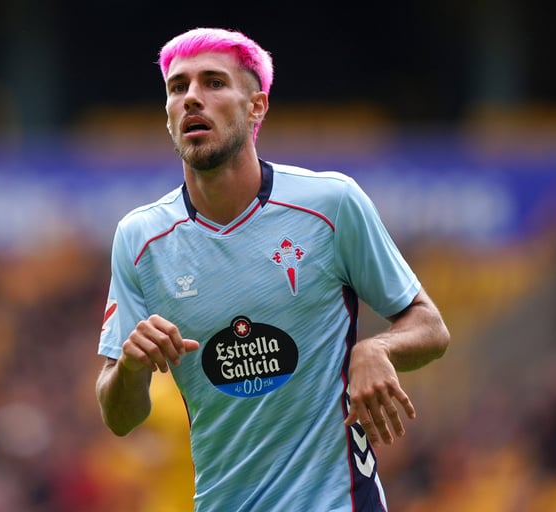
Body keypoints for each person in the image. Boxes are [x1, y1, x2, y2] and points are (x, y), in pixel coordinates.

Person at [96, 27, 450, 511]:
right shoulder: (140, 239)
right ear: (168, 114)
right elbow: (119, 417)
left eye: (214, 82)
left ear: (256, 107)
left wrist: (377, 348)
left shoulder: (331, 204)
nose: (192, 97)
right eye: (178, 87)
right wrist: (131, 367)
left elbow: (430, 326)